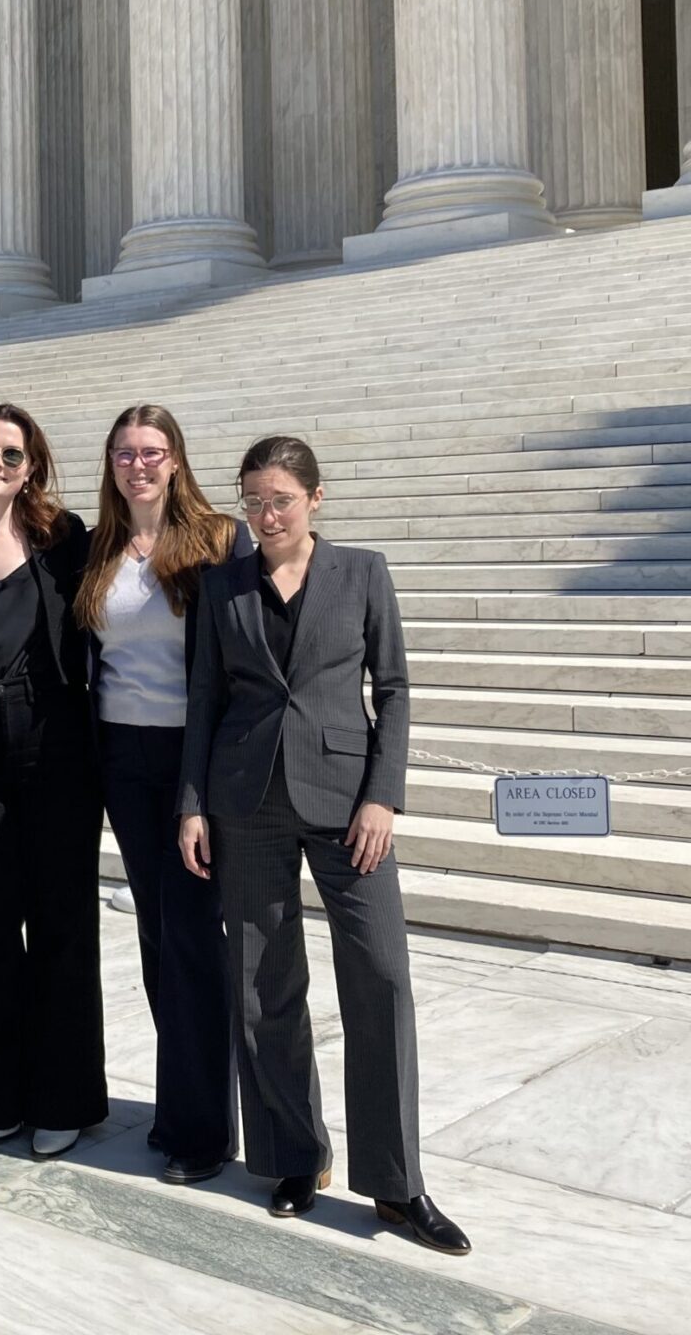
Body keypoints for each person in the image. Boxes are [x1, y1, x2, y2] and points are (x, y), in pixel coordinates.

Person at [177, 436, 470, 1256]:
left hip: (349, 806)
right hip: (247, 803)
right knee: (264, 983)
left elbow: (396, 687)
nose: (265, 516)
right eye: (252, 500)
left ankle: (399, 1184)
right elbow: (205, 699)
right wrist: (193, 805)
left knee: (379, 976)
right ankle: (291, 1157)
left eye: (279, 499)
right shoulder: (221, 583)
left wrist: (383, 795)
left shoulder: (363, 573)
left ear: (315, 498)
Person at [74, 404, 248, 1186]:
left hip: (190, 757)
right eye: (123, 453)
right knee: (156, 935)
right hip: (120, 756)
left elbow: (232, 665)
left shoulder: (216, 541)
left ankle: (205, 1131)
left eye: (151, 452)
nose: (136, 465)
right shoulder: (97, 547)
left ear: (176, 458)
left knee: (190, 940)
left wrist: (203, 788)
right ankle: (183, 1105)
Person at [0, 405, 106, 1162]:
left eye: (13, 454)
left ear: (32, 466)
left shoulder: (62, 537)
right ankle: (0, 1090)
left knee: (63, 923)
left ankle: (65, 1096)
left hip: (54, 744)